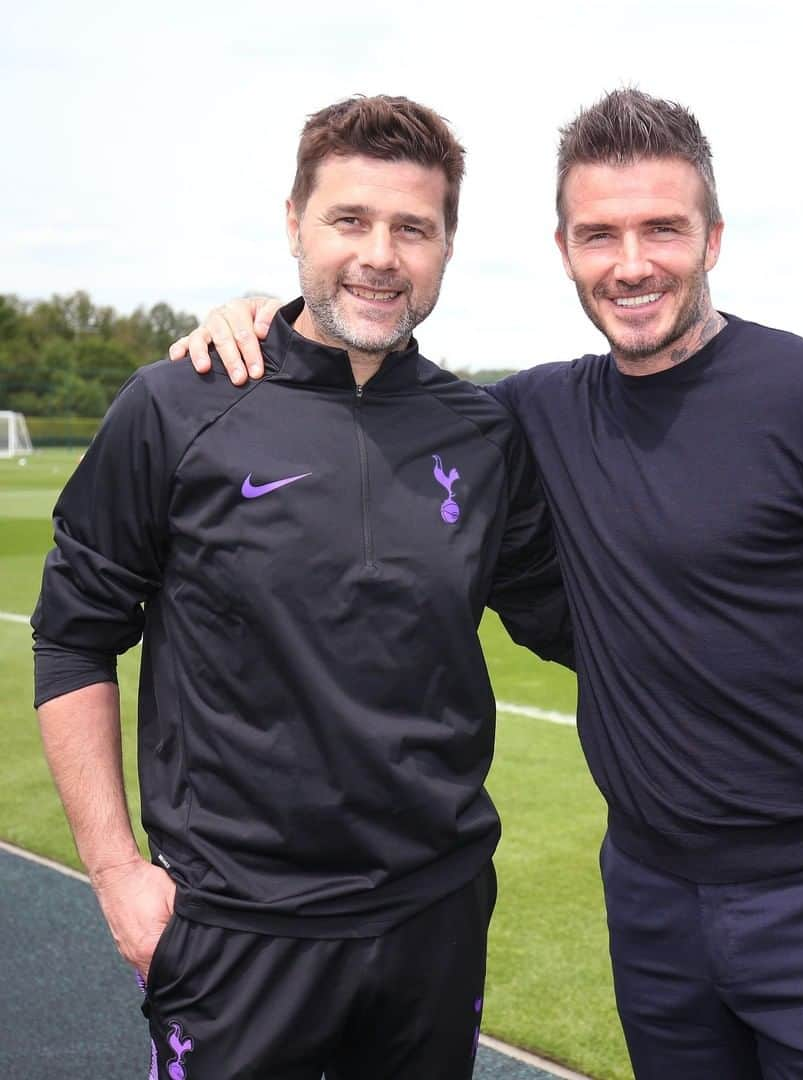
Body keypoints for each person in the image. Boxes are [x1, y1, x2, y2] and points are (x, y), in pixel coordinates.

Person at [173, 89, 803, 1079]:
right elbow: (380, 380)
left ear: (714, 239)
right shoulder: (530, 413)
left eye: (664, 228)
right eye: (600, 234)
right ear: (564, 246)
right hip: (650, 902)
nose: (633, 263)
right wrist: (268, 317)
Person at [32, 94, 572, 1080]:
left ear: (447, 246)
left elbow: (582, 621)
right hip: (235, 930)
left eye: (413, 228)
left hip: (434, 920)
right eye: (350, 220)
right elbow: (73, 636)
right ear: (294, 224)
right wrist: (114, 872)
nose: (380, 254)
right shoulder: (178, 404)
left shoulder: (484, 435)